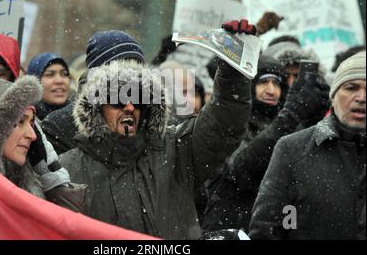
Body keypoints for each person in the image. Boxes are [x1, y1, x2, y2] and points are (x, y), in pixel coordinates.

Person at [58, 21, 254, 239]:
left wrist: (232, 70)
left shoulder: (177, 150)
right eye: (117, 98)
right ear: (96, 105)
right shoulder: (66, 170)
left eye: (138, 98)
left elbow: (224, 122)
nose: (130, 106)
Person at [0, 75, 153, 239]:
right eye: (19, 122)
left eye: (32, 123)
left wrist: (50, 179)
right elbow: (70, 228)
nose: (32, 135)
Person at [201, 55, 329, 231]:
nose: (271, 90)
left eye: (276, 83)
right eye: (263, 82)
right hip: (231, 225)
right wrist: (289, 117)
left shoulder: (286, 122)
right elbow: (240, 169)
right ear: (250, 85)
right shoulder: (231, 120)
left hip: (271, 226)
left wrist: (315, 118)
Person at [249, 51, 366, 240]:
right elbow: (268, 229)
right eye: (351, 88)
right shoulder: (293, 149)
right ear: (333, 97)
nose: (361, 97)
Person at [41, 30, 146, 155]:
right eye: (122, 68)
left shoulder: (149, 118)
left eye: (137, 69)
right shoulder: (59, 126)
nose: (130, 76)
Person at [27, 52, 71, 120]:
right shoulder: (24, 121)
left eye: (64, 74)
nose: (59, 81)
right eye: (50, 74)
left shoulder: (82, 120)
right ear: (34, 82)